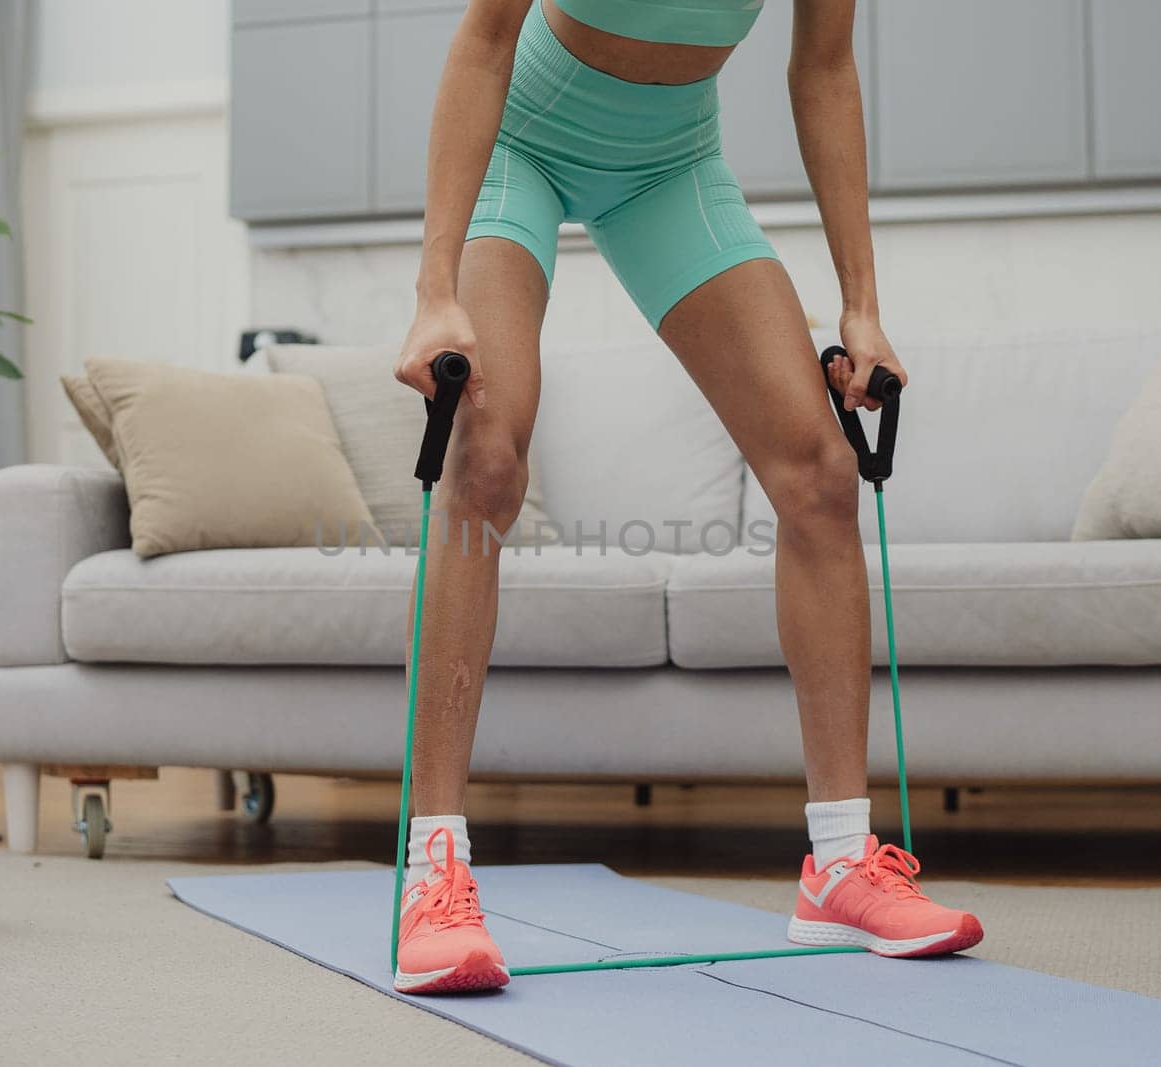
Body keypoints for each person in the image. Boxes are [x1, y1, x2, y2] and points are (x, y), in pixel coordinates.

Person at [391, 0, 982, 995]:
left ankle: (838, 862)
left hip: (669, 163)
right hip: (519, 140)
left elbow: (825, 68)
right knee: (486, 454)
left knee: (819, 471)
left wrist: (861, 304)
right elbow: (485, 39)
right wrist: (435, 286)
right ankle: (433, 869)